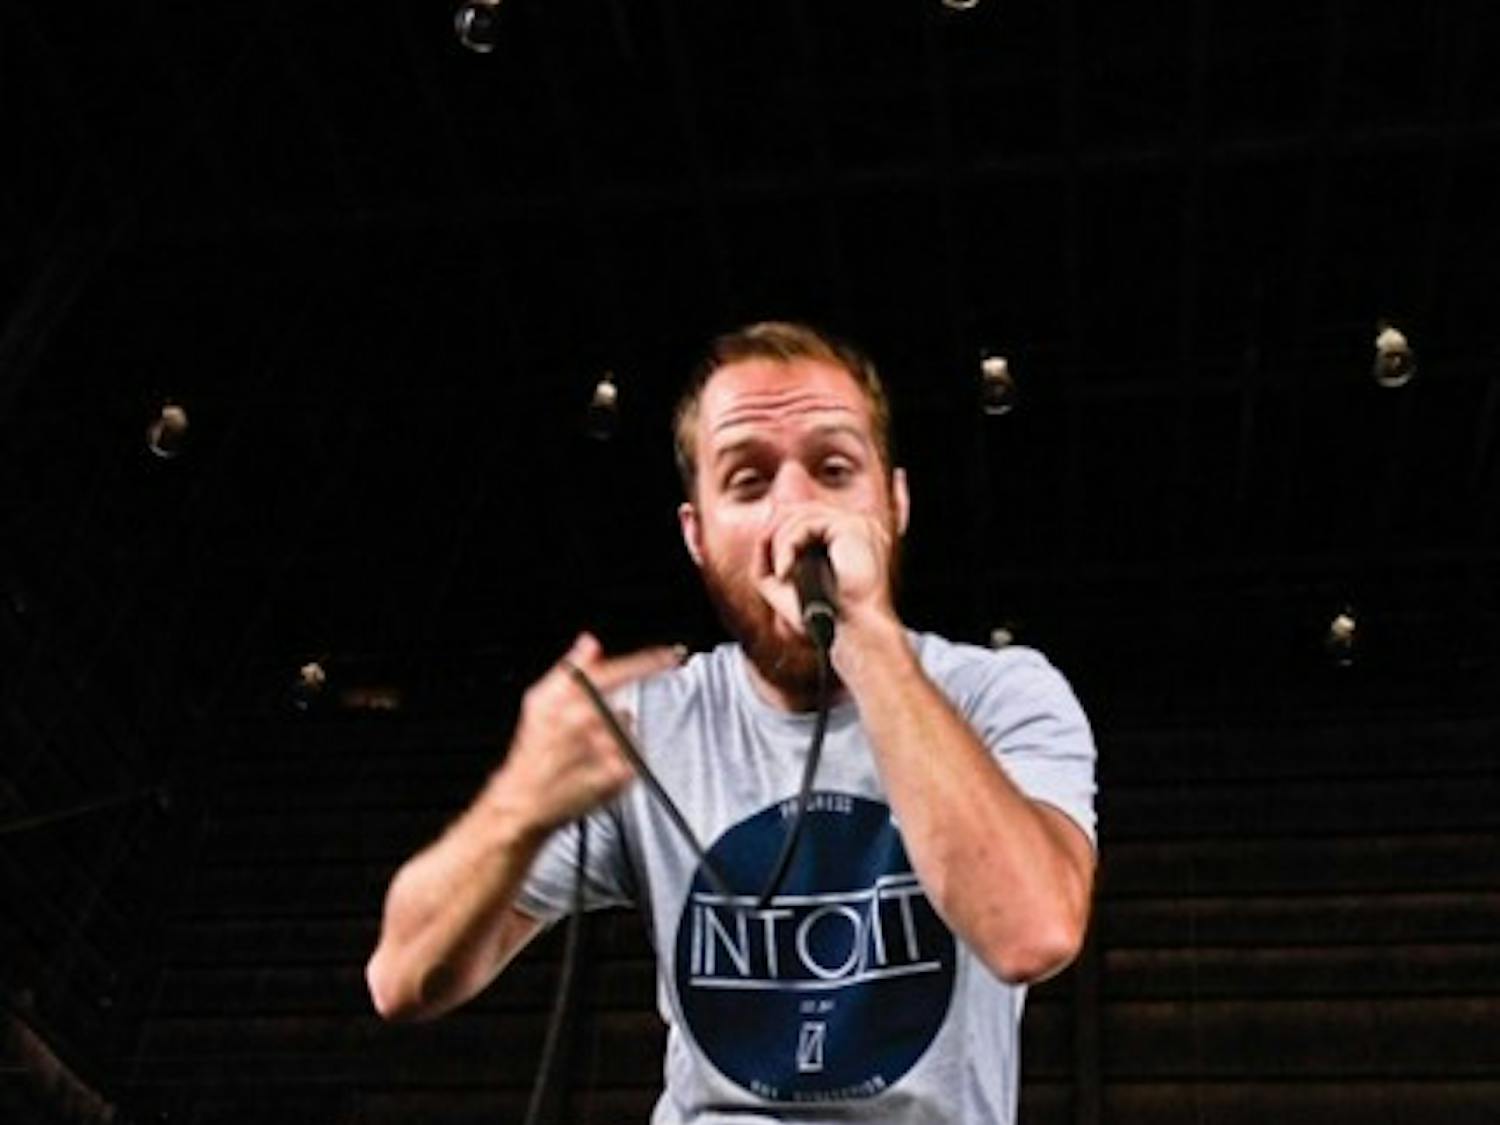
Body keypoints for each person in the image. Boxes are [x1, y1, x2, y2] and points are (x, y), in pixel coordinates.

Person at [366, 322, 1097, 1122]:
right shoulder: (651, 725)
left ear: (894, 503)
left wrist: (865, 638)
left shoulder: (1000, 694)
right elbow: (402, 977)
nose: (797, 510)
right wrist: (515, 805)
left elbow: (1033, 931)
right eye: (749, 482)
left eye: (834, 470)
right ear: (698, 535)